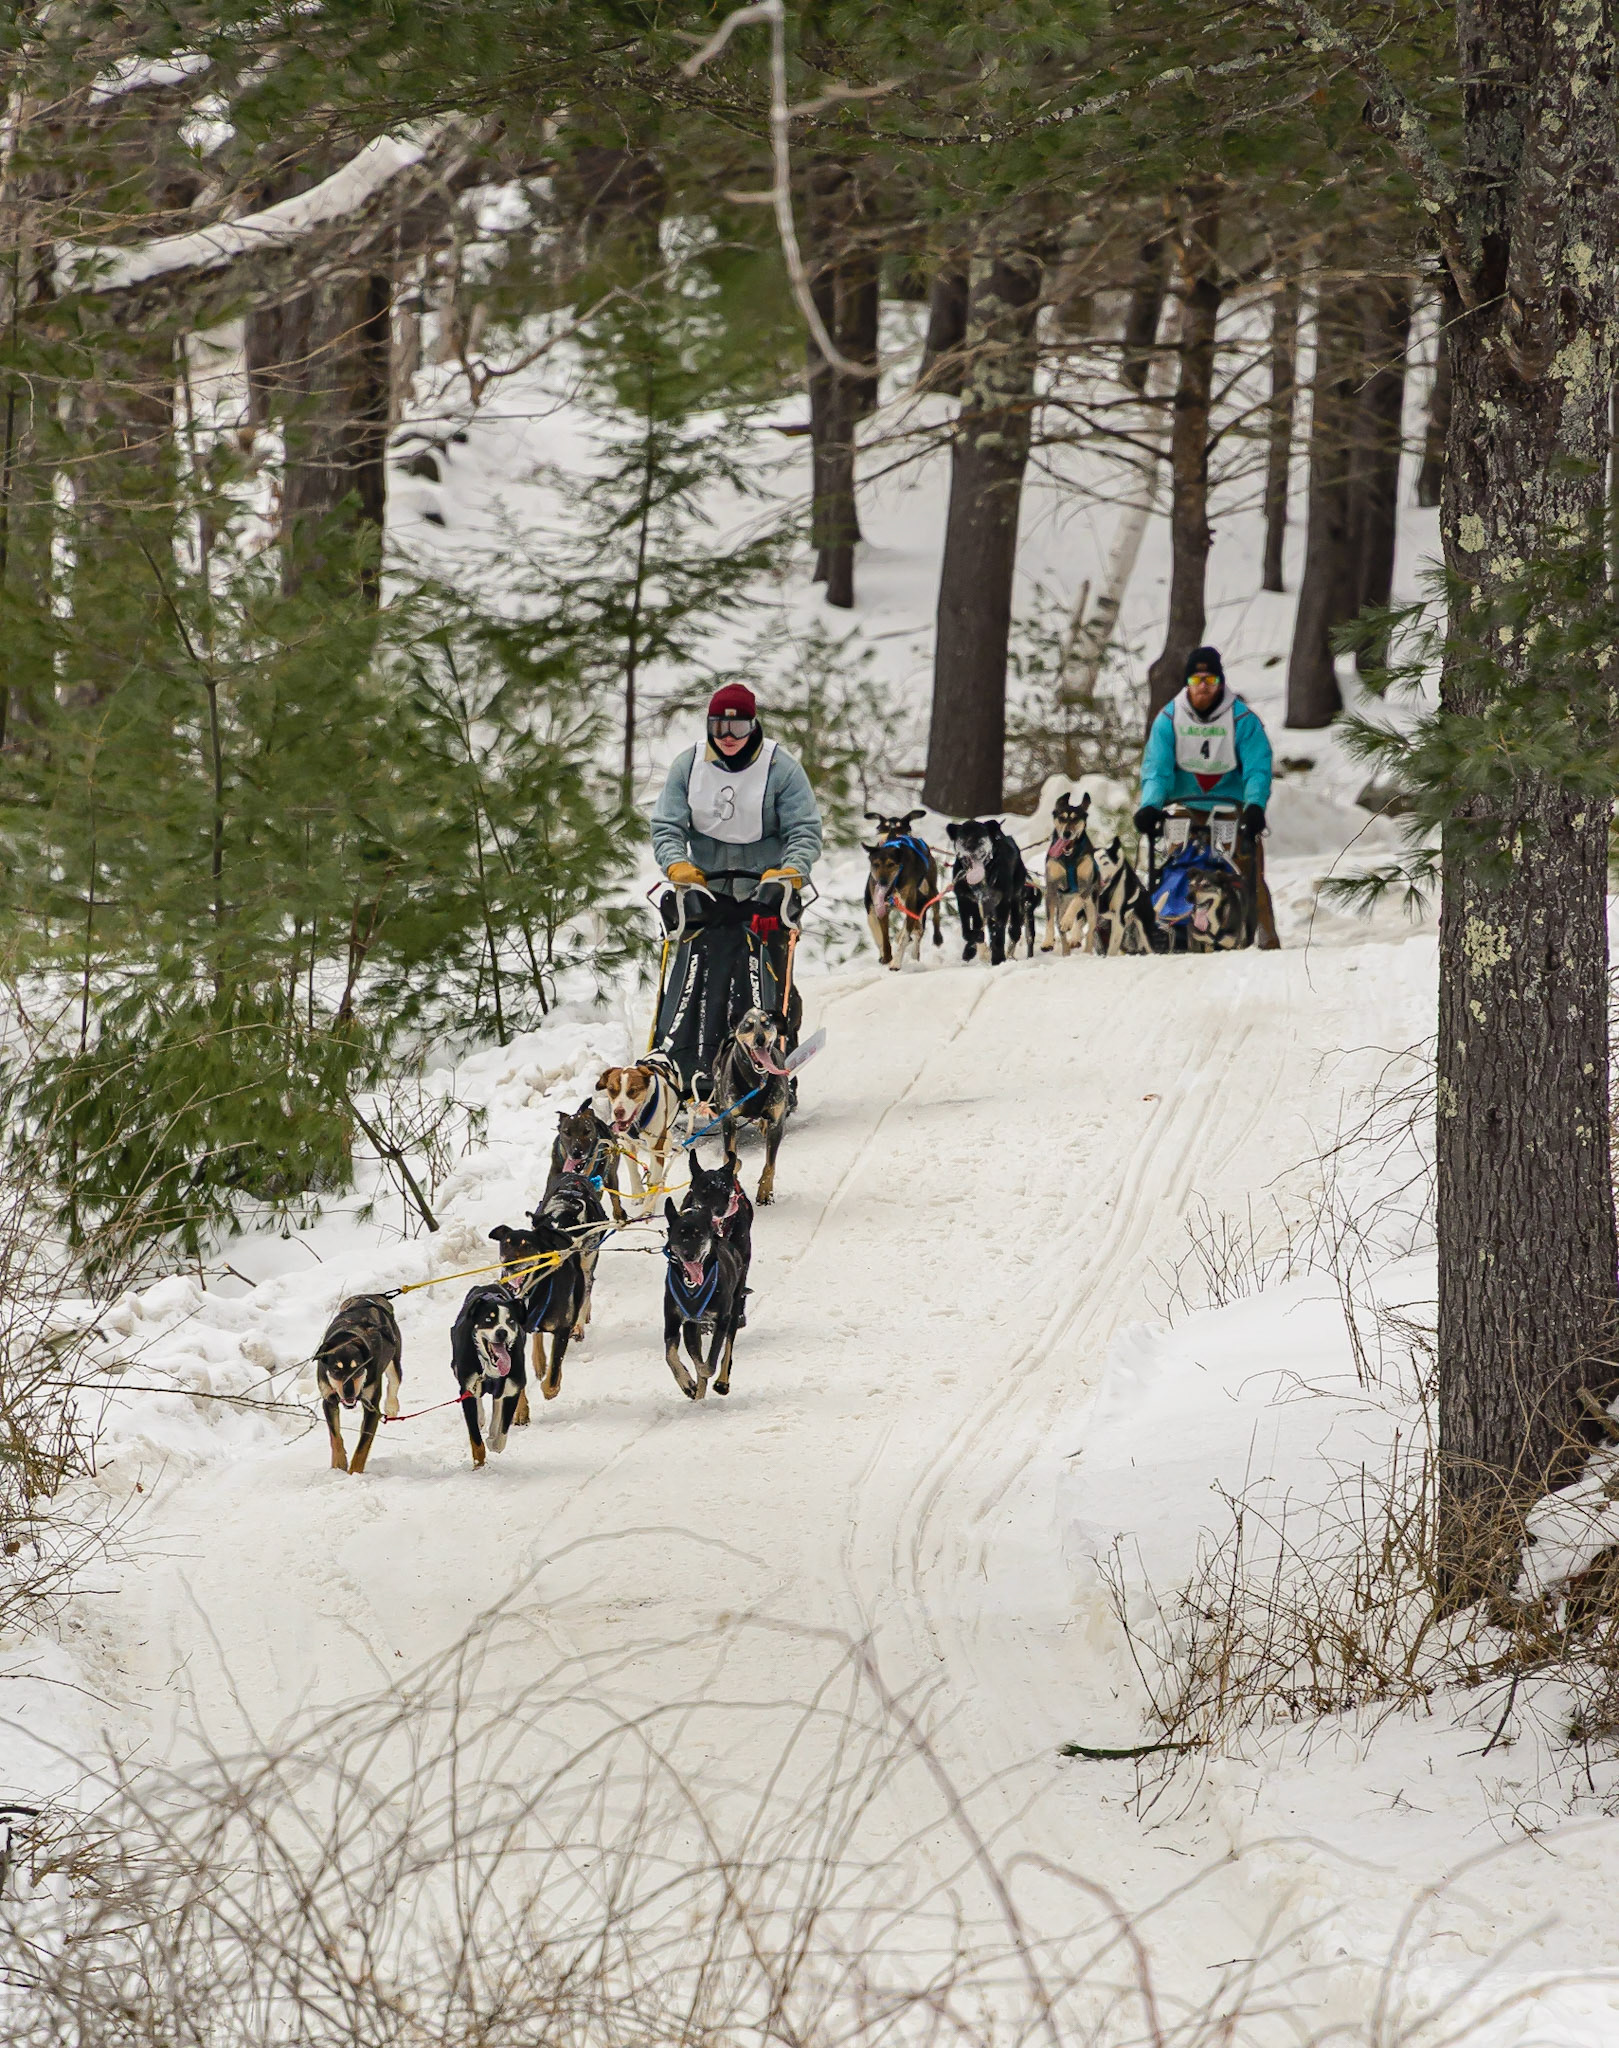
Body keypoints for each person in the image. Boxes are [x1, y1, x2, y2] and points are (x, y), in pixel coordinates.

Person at [650, 683, 824, 1084]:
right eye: (719, 727)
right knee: (700, 975)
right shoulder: (687, 765)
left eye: (739, 727)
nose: (728, 737)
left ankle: (778, 1059)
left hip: (765, 893)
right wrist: (676, 865)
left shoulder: (781, 768)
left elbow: (804, 829)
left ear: (753, 725)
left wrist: (789, 872)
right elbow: (666, 826)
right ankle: (691, 1062)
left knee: (770, 974)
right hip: (707, 892)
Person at [1133, 646, 1280, 949]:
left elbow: (1257, 767)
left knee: (1247, 866)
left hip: (1232, 803)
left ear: (1220, 683)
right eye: (1196, 680)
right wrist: (1150, 805)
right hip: (1186, 802)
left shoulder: (1242, 720)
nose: (1202, 687)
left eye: (1210, 680)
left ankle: (1266, 937)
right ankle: (1171, 927)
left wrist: (1255, 805)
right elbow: (1157, 769)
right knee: (1175, 861)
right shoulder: (1169, 718)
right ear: (1186, 683)